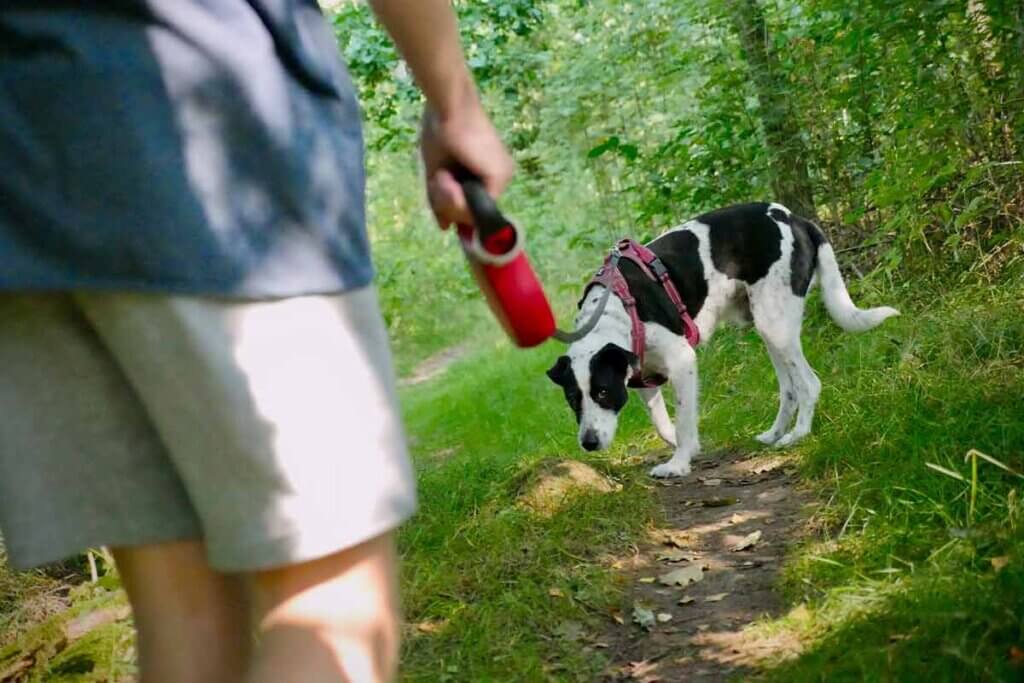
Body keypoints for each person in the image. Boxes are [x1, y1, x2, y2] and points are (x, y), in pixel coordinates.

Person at [0, 1, 513, 681]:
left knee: (185, 623)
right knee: (333, 607)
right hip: (213, 138)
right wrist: (456, 103)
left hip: (23, 177)